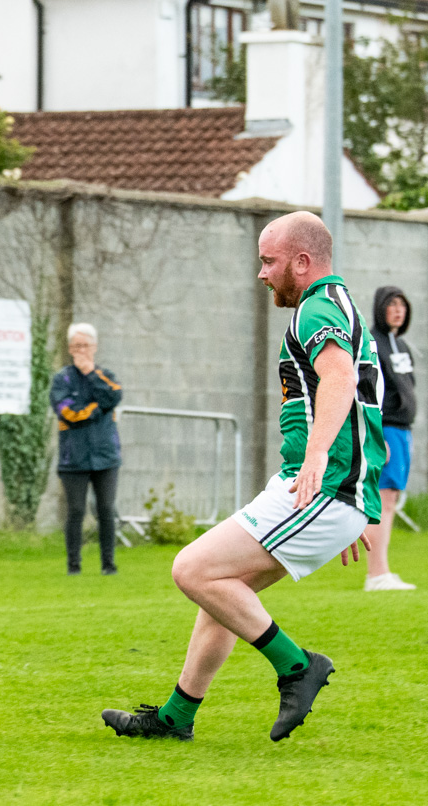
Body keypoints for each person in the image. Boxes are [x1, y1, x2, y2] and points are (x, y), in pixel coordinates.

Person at [101, 211, 383, 743]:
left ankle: (298, 667)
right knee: (223, 592)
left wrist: (324, 463)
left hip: (317, 487)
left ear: (303, 262)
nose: (261, 273)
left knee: (193, 571)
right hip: (328, 490)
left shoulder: (316, 308)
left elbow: (342, 380)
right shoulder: (341, 305)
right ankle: (175, 717)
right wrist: (358, 503)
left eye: (268, 261)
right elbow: (367, 400)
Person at [50, 323, 123, 575]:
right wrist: (95, 409)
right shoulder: (62, 379)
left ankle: (108, 566)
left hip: (106, 457)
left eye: (86, 345)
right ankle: (73, 566)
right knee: (76, 511)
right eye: (77, 346)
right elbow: (67, 412)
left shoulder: (105, 375)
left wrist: (91, 374)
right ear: (70, 349)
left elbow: (113, 397)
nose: (81, 350)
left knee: (106, 510)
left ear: (95, 347)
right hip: (74, 459)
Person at [364, 286, 417, 591]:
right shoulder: (374, 345)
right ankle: (376, 574)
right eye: (392, 304)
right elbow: (370, 391)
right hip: (386, 431)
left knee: (391, 499)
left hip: (402, 432)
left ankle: (382, 571)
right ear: (380, 308)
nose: (398, 310)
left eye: (402, 304)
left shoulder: (403, 347)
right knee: (382, 500)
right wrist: (376, 433)